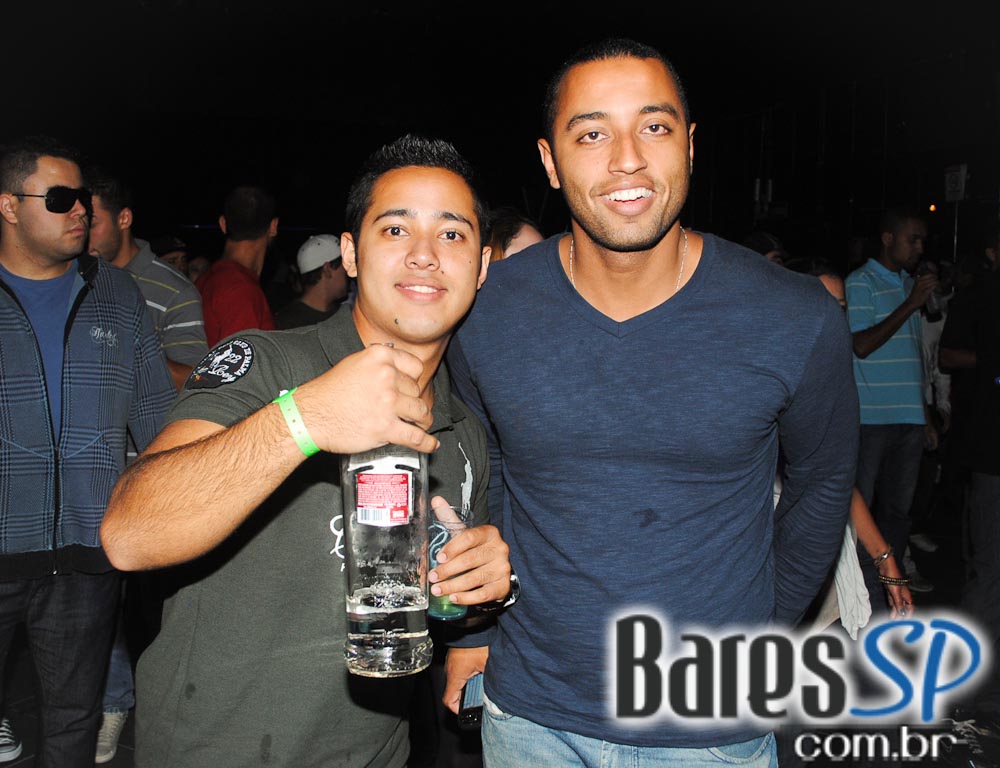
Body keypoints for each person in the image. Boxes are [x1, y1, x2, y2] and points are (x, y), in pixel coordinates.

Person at [446, 38, 858, 766]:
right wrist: (474, 635)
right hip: (532, 717)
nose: (627, 159)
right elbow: (488, 473)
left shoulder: (795, 316)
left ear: (690, 147)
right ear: (549, 161)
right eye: (592, 134)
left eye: (655, 127)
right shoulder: (485, 312)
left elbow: (823, 481)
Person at [100, 134, 514, 768]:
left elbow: (439, 603)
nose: (425, 255)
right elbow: (129, 534)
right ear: (350, 253)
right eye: (396, 229)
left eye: (452, 234)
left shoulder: (464, 433)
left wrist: (476, 591)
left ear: (482, 267)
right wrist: (305, 418)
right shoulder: (265, 363)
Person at [0, 136, 175, 768]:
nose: (81, 208)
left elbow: (157, 418)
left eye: (83, 197)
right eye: (60, 198)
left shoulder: (118, 293)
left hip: (89, 554)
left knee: (74, 721)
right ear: (9, 206)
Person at [86, 169, 210, 761]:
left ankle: (132, 710)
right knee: (89, 610)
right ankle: (108, 704)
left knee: (144, 613)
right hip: (86, 474)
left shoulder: (169, 290)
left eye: (92, 218)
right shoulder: (70, 279)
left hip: (147, 478)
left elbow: (198, 379)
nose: (80, 228)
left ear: (124, 219)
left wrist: (134, 349)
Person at [845, 207, 940, 609]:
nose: (919, 248)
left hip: (909, 419)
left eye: (922, 241)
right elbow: (861, 344)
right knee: (861, 510)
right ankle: (861, 592)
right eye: (912, 239)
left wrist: (926, 414)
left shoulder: (908, 284)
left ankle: (891, 587)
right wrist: (910, 304)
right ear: (888, 238)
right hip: (871, 418)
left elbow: (915, 358)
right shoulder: (860, 281)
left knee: (899, 513)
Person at [940, 222, 1000, 714]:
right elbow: (947, 356)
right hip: (990, 451)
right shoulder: (979, 299)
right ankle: (969, 685)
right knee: (991, 566)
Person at [196, 184, 278, 346]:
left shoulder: (206, 280)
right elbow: (241, 359)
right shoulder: (240, 290)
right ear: (273, 226)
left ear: (223, 224)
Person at [274, 233, 349, 329]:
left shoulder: (346, 315)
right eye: (345, 267)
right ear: (327, 269)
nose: (349, 272)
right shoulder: (286, 325)